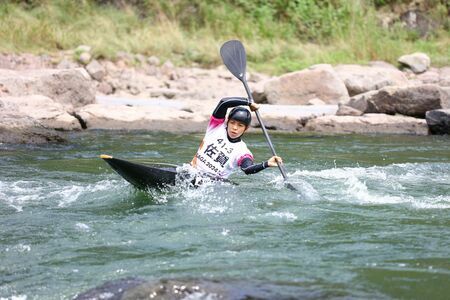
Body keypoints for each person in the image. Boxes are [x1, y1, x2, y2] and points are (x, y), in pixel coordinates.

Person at [191, 97, 282, 179]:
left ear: (245, 129)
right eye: (232, 123)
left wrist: (266, 164)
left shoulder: (242, 151)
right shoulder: (216, 127)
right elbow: (224, 102)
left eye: (240, 125)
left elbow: (247, 169)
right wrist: (248, 103)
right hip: (192, 172)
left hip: (212, 184)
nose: (235, 127)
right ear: (227, 122)